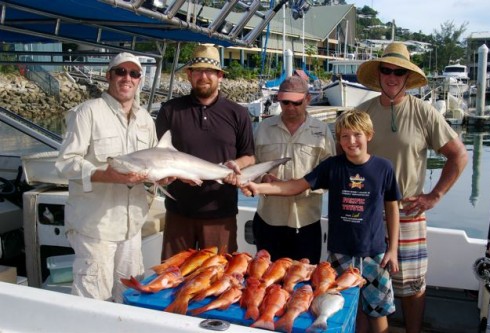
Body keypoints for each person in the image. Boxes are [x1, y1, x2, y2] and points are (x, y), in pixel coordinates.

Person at [241, 110, 401, 333]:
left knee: (377, 310)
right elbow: (295, 186)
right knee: (342, 308)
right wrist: (259, 187)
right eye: (344, 136)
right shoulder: (332, 166)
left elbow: (392, 207)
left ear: (369, 135)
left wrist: (392, 249)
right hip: (339, 254)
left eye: (357, 135)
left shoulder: (384, 168)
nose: (351, 141)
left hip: (375, 253)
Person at [356, 42, 468, 333]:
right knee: (365, 283)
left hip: (408, 211)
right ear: (378, 74)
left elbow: (459, 155)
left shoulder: (424, 112)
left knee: (412, 285)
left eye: (399, 72)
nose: (392, 77)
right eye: (386, 70)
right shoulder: (361, 114)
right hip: (367, 214)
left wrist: (435, 195)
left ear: (408, 77)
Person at [56, 52, 161, 302]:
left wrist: (162, 178)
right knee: (93, 300)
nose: (127, 78)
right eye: (120, 72)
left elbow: (155, 162)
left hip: (131, 227)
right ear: (108, 76)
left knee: (131, 297)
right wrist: (105, 175)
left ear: (140, 80)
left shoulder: (146, 119)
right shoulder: (87, 112)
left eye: (134, 73)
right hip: (95, 228)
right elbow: (65, 163)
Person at [155, 44, 255, 260]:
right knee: (174, 277)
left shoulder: (238, 113)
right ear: (189, 75)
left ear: (220, 76)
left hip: (221, 213)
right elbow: (159, 158)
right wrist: (177, 176)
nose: (203, 76)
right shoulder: (169, 111)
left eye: (209, 71)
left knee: (219, 279)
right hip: (178, 213)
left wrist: (235, 166)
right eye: (197, 71)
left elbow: (249, 156)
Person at [251, 75, 335, 264]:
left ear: (307, 99)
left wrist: (302, 185)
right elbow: (251, 166)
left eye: (296, 103)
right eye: (285, 102)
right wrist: (263, 178)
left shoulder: (322, 131)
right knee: (266, 280)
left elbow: (330, 174)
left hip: (306, 221)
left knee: (302, 281)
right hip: (268, 219)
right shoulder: (262, 128)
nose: (290, 107)